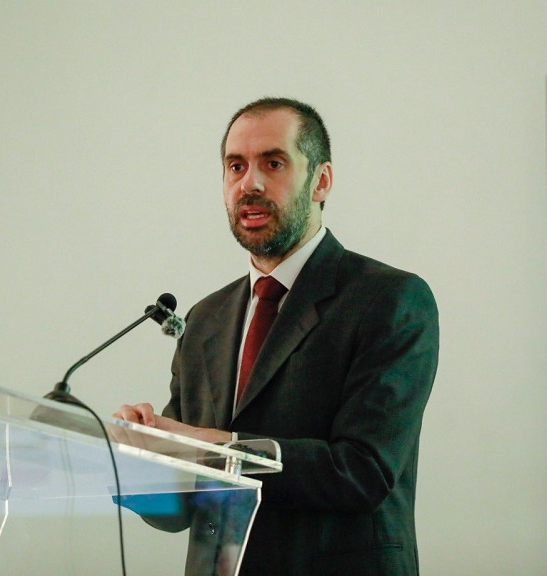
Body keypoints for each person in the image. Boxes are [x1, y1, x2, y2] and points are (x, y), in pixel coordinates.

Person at [115, 97, 439, 575]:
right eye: (235, 166)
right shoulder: (205, 319)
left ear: (321, 181)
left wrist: (210, 444)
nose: (250, 183)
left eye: (273, 163)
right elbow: (180, 509)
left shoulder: (389, 300)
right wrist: (135, 461)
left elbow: (361, 472)